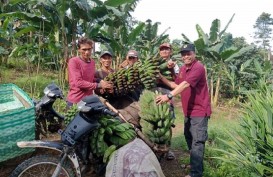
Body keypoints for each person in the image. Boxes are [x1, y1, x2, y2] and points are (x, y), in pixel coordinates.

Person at [155, 43, 211, 177]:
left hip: (199, 111)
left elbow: (185, 84)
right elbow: (176, 85)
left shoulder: (198, 67)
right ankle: (194, 165)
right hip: (189, 111)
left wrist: (168, 96)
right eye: (184, 54)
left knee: (197, 142)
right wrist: (161, 77)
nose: (186, 56)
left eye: (188, 53)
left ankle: (196, 174)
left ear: (194, 54)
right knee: (189, 139)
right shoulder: (183, 69)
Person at [66, 37, 113, 106]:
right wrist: (99, 85)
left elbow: (90, 78)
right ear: (79, 50)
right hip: (75, 101)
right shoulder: (74, 62)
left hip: (88, 101)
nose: (87, 52)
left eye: (89, 49)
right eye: (84, 49)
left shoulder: (92, 62)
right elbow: (78, 83)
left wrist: (100, 81)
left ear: (92, 49)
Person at [157, 43, 178, 160]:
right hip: (153, 92)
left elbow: (178, 81)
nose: (164, 52)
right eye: (162, 50)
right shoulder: (155, 63)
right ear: (159, 52)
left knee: (167, 121)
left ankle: (168, 148)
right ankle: (155, 145)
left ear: (170, 51)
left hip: (167, 93)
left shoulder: (174, 64)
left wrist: (171, 70)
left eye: (167, 49)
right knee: (154, 119)